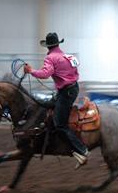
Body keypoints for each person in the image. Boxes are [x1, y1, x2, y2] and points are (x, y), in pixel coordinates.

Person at [24, 32, 90, 169]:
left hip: (65, 92)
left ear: (47, 46)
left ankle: (82, 150)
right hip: (72, 88)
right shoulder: (67, 56)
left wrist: (31, 71)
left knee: (60, 124)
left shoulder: (50, 58)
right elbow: (75, 73)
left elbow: (45, 74)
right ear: (58, 44)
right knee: (48, 104)